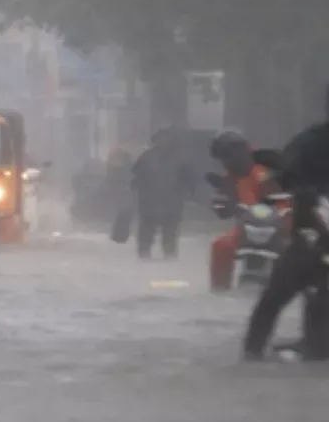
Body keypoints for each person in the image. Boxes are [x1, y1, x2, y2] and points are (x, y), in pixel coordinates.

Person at [242, 115, 329, 361]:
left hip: (312, 237)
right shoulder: (312, 141)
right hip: (311, 236)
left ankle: (255, 354)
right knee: (277, 297)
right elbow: (280, 175)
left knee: (287, 298)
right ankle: (252, 354)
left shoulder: (310, 140)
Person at [208, 130, 278, 290]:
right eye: (223, 158)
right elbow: (223, 205)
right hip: (247, 229)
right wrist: (221, 204)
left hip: (281, 229)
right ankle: (220, 289)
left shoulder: (268, 168)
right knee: (221, 245)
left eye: (228, 156)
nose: (226, 162)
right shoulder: (230, 177)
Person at [131, 128, 194, 259]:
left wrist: (190, 192)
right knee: (147, 228)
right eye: (161, 138)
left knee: (170, 229)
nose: (164, 141)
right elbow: (137, 175)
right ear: (156, 140)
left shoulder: (179, 159)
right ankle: (144, 251)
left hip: (172, 201)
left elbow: (188, 177)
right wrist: (134, 188)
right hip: (149, 200)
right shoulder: (147, 157)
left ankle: (169, 252)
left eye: (168, 138)